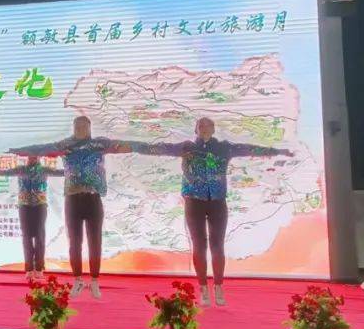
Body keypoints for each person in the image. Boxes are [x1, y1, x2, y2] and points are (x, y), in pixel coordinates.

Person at [124, 117, 293, 306]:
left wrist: (279, 151)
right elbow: (159, 149)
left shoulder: (224, 148)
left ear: (213, 129)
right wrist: (133, 146)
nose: (204, 128)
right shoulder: (187, 147)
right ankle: (203, 287)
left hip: (217, 203)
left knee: (217, 245)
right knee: (199, 245)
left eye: (208, 125)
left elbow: (249, 149)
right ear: (195, 130)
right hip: (194, 202)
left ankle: (218, 286)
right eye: (201, 126)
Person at [9, 116, 133, 298]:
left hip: (93, 199)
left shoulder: (99, 145)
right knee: (74, 243)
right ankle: (78, 280)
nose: (79, 129)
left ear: (89, 128)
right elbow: (43, 148)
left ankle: (94, 281)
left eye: (83, 126)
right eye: (77, 126)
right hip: (72, 200)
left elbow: (130, 145)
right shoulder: (66, 145)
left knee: (95, 241)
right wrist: (20, 150)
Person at [0, 156, 64, 279]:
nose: (32, 157)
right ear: (27, 157)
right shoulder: (21, 169)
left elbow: (61, 173)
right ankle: (29, 269)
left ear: (38, 157)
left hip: (40, 206)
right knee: (26, 237)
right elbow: (5, 173)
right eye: (30, 156)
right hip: (24, 206)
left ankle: (39, 268)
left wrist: (75, 169)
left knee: (40, 237)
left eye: (35, 156)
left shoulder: (44, 170)